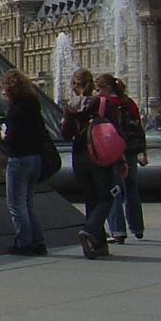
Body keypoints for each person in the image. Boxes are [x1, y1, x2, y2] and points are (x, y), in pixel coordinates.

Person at [61, 67, 116, 259]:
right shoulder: (103, 103)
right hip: (99, 156)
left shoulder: (70, 106)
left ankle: (98, 245)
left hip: (79, 157)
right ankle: (90, 229)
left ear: (75, 85)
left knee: (91, 198)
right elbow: (114, 133)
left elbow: (66, 135)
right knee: (107, 198)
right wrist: (122, 160)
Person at [0, 69, 47, 256]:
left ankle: (24, 242)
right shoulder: (33, 105)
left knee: (16, 206)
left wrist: (4, 135)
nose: (2, 93)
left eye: (4, 89)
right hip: (35, 158)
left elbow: (14, 139)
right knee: (28, 204)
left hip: (19, 160)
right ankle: (38, 242)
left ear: (12, 89)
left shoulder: (16, 110)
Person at [100, 75, 146, 243]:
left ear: (106, 88)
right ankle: (137, 227)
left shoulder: (105, 104)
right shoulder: (129, 102)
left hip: (114, 150)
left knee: (114, 189)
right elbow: (139, 127)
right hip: (131, 149)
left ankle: (117, 230)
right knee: (132, 187)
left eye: (99, 90)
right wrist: (144, 152)